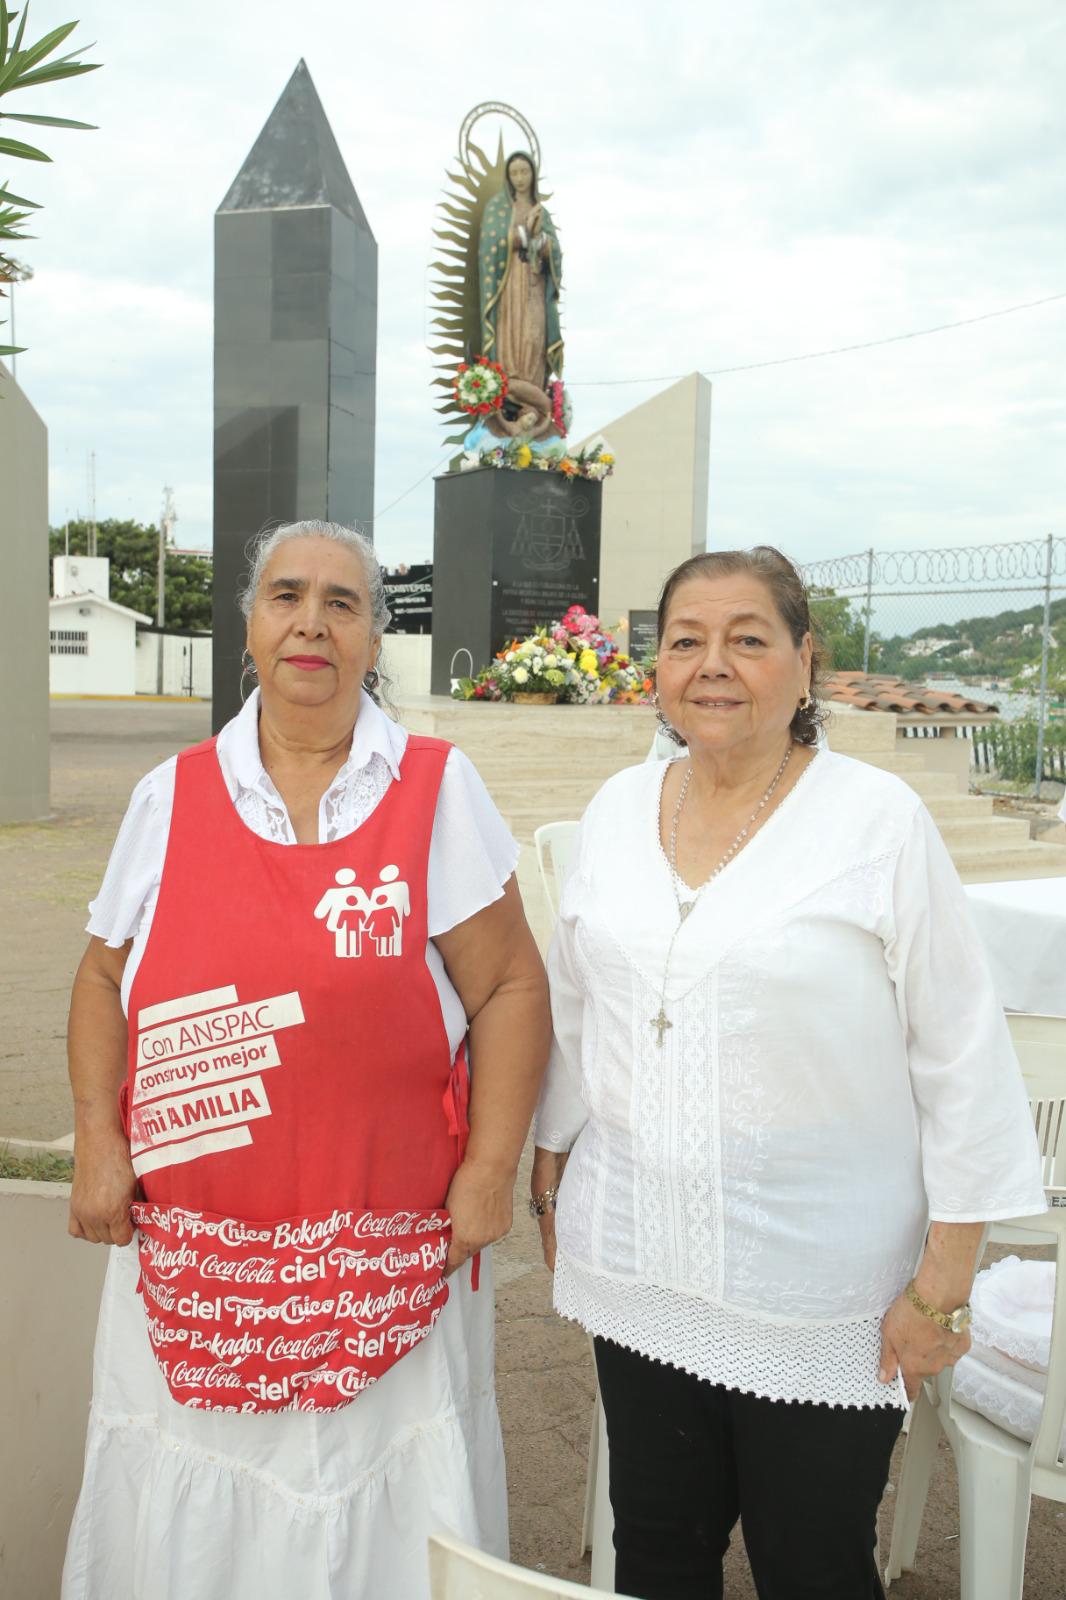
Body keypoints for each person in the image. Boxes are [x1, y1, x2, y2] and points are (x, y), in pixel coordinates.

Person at [531, 545, 1046, 1600]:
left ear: (805, 665)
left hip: (823, 1293)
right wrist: (551, 1175)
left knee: (811, 1564)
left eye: (748, 639)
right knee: (658, 1554)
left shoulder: (874, 820)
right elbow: (578, 1010)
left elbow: (959, 1054)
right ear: (657, 668)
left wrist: (943, 1284)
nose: (712, 664)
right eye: (686, 641)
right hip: (642, 1268)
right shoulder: (617, 811)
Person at [62, 519, 551, 1600]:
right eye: (287, 596)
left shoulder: (434, 787)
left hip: (387, 1233)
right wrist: (99, 1136)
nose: (312, 624)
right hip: (195, 1237)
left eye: (343, 602)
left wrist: (488, 1169)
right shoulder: (169, 793)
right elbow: (103, 981)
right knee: (200, 1483)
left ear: (375, 636)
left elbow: (513, 986)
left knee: (372, 1484)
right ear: (249, 626)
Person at [478, 149, 563, 439]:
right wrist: (520, 235)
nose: (520, 178)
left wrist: (541, 240)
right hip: (508, 288)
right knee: (511, 337)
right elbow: (489, 245)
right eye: (514, 173)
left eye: (524, 172)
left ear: (532, 175)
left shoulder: (543, 212)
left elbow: (556, 252)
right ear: (508, 177)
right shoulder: (498, 209)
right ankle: (513, 395)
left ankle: (533, 400)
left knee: (533, 336)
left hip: (534, 286)